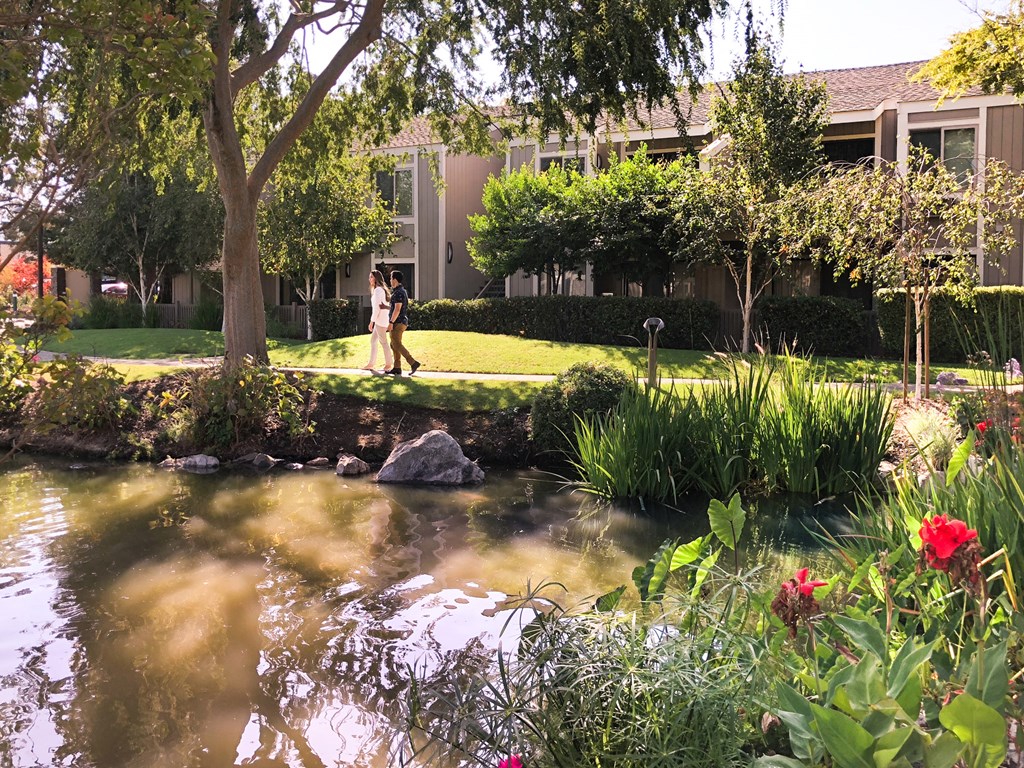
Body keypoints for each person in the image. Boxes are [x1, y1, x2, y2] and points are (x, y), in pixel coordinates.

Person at [381, 270, 421, 376]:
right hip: (400, 321)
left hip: (398, 322)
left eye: (390, 278)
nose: (389, 280)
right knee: (393, 344)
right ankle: (397, 368)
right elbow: (395, 307)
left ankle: (413, 363)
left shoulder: (398, 292)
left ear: (395, 279)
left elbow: (397, 309)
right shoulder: (400, 291)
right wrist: (385, 307)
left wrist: (391, 322)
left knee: (396, 344)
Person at [362, 269, 393, 373]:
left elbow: (377, 308)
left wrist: (372, 321)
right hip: (381, 319)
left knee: (383, 342)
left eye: (371, 277)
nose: (369, 279)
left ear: (376, 278)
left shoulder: (378, 290)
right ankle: (371, 363)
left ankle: (389, 364)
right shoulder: (380, 289)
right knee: (373, 341)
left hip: (380, 320)